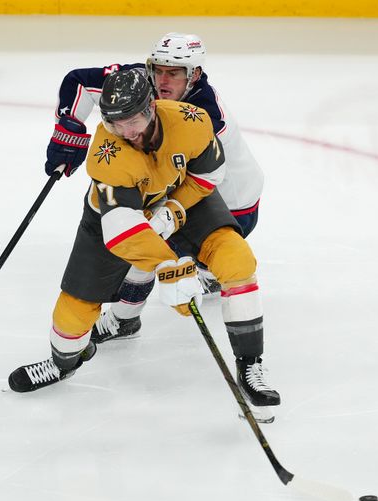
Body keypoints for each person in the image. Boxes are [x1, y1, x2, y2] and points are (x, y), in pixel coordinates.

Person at [9, 69, 279, 421]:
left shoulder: (192, 120)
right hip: (111, 221)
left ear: (152, 107)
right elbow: (123, 230)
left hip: (180, 197)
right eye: (116, 123)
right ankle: (63, 363)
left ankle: (250, 365)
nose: (127, 132)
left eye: (133, 120)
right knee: (73, 314)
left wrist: (175, 210)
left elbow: (208, 174)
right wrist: (169, 267)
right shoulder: (107, 155)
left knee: (236, 259)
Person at [44, 32, 265, 346]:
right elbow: (79, 82)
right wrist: (69, 130)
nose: (162, 79)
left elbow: (198, 177)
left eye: (172, 73)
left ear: (194, 76)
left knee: (159, 246)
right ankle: (127, 318)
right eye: (157, 69)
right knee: (149, 240)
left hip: (231, 201)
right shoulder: (141, 83)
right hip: (180, 185)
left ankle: (131, 314)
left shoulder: (203, 114)